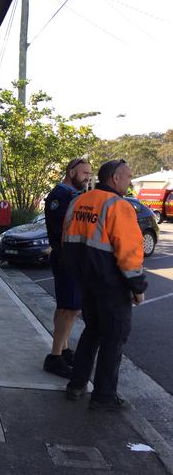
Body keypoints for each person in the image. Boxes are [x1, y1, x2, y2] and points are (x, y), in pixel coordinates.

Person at [63, 159, 147, 411]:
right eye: (129, 177)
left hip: (85, 280)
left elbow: (66, 239)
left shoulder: (79, 200)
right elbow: (129, 251)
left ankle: (76, 385)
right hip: (111, 283)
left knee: (93, 331)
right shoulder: (119, 206)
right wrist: (137, 286)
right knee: (114, 337)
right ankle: (103, 397)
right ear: (115, 178)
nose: (130, 181)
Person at [43, 157, 93, 378]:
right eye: (84, 173)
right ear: (71, 172)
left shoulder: (73, 196)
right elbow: (65, 228)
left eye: (89, 174)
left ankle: (62, 349)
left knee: (68, 307)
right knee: (70, 308)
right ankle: (55, 357)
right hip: (66, 259)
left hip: (71, 259)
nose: (87, 178)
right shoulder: (59, 197)